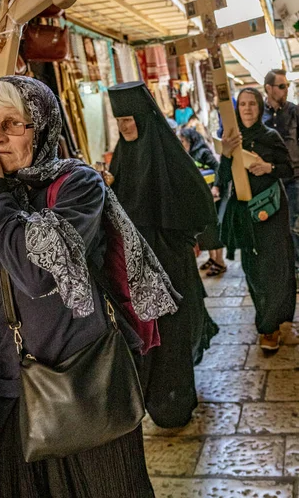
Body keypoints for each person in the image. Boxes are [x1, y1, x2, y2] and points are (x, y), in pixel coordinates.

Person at [0, 75, 185, 497]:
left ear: (44, 129)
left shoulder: (77, 186)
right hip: (6, 400)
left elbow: (39, 273)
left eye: (13, 123)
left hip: (86, 390)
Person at [108, 81, 219, 428]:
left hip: (170, 264)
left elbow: (199, 200)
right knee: (146, 338)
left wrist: (177, 236)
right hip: (136, 269)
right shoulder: (123, 157)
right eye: (120, 121)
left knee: (171, 335)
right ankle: (157, 402)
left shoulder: (167, 154)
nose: (125, 127)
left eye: (130, 119)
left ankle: (177, 403)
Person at [219, 87, 296, 351]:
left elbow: (288, 169)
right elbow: (223, 179)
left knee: (277, 270)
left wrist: (269, 168)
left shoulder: (270, 137)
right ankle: (269, 322)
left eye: (252, 104)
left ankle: (271, 327)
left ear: (260, 107)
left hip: (273, 214)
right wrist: (226, 155)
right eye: (243, 105)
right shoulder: (231, 140)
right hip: (245, 216)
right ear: (237, 109)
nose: (248, 109)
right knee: (255, 272)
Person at [262, 69, 299, 286]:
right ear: (269, 88)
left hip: (294, 177)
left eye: (287, 86)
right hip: (270, 180)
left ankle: (295, 270)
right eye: (282, 86)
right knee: (276, 227)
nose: (286, 90)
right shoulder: (260, 115)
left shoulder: (294, 112)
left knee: (293, 225)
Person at [179, 127, 227, 277]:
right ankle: (212, 259)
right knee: (205, 231)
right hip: (201, 198)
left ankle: (220, 261)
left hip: (213, 196)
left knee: (214, 229)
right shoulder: (189, 154)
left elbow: (218, 168)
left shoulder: (203, 153)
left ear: (191, 140)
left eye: (183, 141)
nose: (182, 144)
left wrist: (217, 188)